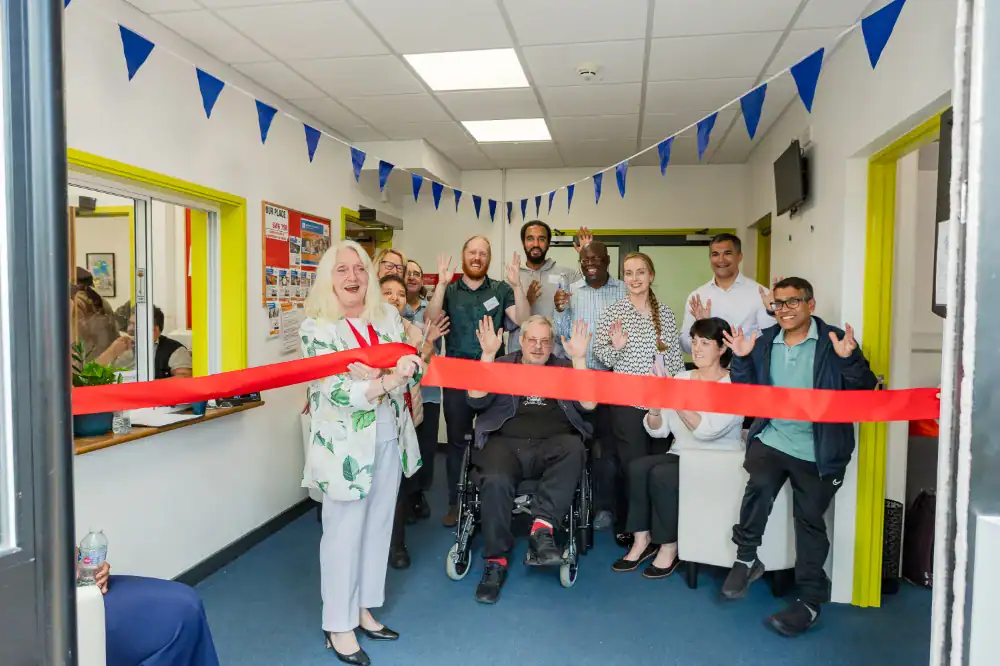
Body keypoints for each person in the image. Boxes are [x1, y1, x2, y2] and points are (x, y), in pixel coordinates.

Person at [720, 277, 877, 637]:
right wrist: (742, 359)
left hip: (819, 451)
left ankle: (809, 602)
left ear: (811, 304)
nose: (785, 309)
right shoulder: (764, 342)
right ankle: (747, 558)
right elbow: (746, 395)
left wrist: (849, 359)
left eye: (793, 302)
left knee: (809, 522)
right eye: (778, 303)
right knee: (757, 486)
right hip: (774, 439)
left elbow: (865, 390)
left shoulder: (835, 341)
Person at [300, 239, 424, 665]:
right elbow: (335, 389)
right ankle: (337, 622)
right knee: (342, 534)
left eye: (358, 268)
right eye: (341, 270)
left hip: (390, 436)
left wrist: (389, 373)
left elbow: (413, 362)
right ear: (328, 280)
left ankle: (363, 609)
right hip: (344, 449)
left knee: (378, 527)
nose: (352, 277)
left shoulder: (387, 315)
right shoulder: (316, 328)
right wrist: (386, 380)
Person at [467, 315, 595, 604]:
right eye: (532, 340)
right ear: (520, 341)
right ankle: (495, 562)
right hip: (505, 444)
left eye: (544, 341)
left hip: (551, 445)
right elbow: (475, 399)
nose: (538, 347)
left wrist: (581, 359)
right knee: (496, 479)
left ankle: (542, 529)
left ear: (552, 345)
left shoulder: (564, 368)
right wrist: (488, 354)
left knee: (574, 447)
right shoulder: (502, 365)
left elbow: (589, 405)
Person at [612, 317, 743, 577]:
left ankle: (669, 547)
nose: (697, 348)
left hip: (717, 460)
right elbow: (658, 429)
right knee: (637, 467)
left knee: (662, 475)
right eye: (694, 342)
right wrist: (655, 406)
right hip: (683, 454)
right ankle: (642, 539)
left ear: (722, 348)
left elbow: (708, 432)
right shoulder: (681, 378)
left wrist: (677, 399)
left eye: (705, 343)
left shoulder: (734, 385)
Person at [425, 236, 530, 527]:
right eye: (472, 251)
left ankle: (490, 499)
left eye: (483, 253)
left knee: (492, 438)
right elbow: (432, 319)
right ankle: (456, 503)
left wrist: (518, 284)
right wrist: (442, 285)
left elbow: (523, 319)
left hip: (492, 375)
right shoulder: (450, 289)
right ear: (463, 255)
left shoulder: (500, 289)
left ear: (488, 258)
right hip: (456, 375)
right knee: (457, 441)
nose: (477, 257)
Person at [592, 252, 685, 541]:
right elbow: (601, 354)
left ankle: (658, 528)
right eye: (629, 273)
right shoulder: (613, 312)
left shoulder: (666, 314)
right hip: (626, 403)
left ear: (651, 276)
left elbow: (674, 362)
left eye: (640, 272)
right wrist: (617, 346)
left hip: (660, 404)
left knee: (657, 467)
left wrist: (680, 397)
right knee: (631, 465)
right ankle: (632, 527)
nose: (634, 278)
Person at [553, 239, 626, 532]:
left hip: (613, 377)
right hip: (579, 377)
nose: (590, 264)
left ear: (608, 259)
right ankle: (571, 502)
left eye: (596, 258)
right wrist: (559, 311)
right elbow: (559, 335)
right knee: (576, 443)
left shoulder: (623, 290)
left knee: (608, 447)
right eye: (585, 260)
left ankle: (605, 508)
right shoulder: (572, 291)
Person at [378, 274, 449, 570]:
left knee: (398, 483)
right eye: (387, 292)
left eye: (400, 294)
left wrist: (429, 347)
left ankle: (396, 545)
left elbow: (422, 372)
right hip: (373, 416)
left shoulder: (413, 330)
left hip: (406, 416)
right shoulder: (362, 331)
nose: (395, 298)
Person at [79, 552, 220, 666]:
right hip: (68, 612)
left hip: (80, 589)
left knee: (185, 604)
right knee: (177, 616)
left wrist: (86, 563)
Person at [679, 233, 775, 354]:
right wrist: (701, 328)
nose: (721, 259)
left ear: (739, 257)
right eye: (715, 254)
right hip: (709, 370)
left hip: (749, 369)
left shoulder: (760, 294)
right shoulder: (697, 297)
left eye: (727, 253)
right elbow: (685, 345)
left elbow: (769, 340)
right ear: (710, 258)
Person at [508, 220, 575, 357]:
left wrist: (585, 251)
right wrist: (526, 301)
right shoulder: (512, 277)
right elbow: (508, 324)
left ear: (548, 243)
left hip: (556, 356)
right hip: (520, 357)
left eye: (541, 239)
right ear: (523, 242)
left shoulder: (567, 275)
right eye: (530, 239)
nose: (536, 244)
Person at [97, 306, 193, 379]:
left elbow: (185, 378)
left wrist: (144, 387)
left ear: (154, 330)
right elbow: (90, 375)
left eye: (135, 325)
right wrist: (111, 352)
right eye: (130, 324)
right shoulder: (120, 347)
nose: (129, 329)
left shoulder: (174, 350)